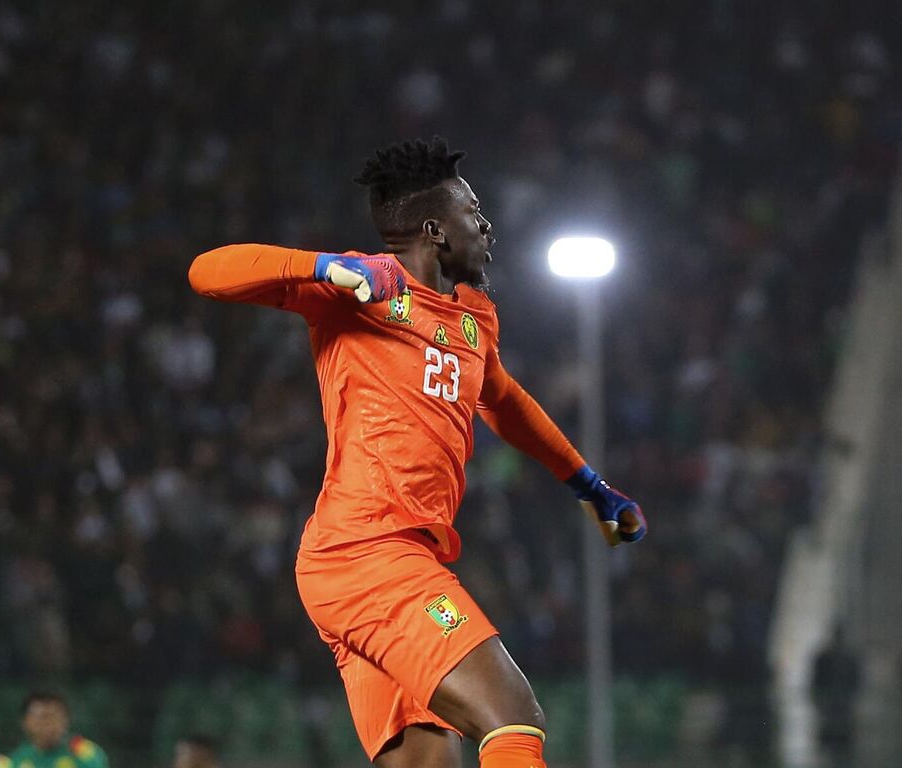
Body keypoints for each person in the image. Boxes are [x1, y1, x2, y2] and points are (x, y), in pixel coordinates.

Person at [186, 137, 648, 768]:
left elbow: (506, 403)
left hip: (378, 562)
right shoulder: (363, 288)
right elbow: (207, 273)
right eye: (472, 213)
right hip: (369, 551)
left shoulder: (473, 320)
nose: (486, 226)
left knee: (427, 762)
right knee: (512, 715)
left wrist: (590, 485)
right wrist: (321, 267)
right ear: (434, 229)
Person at [6, 693, 105, 768]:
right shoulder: (17, 759)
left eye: (54, 716)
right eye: (42, 717)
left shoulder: (84, 753)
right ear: (25, 722)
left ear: (66, 720)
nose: (48, 723)